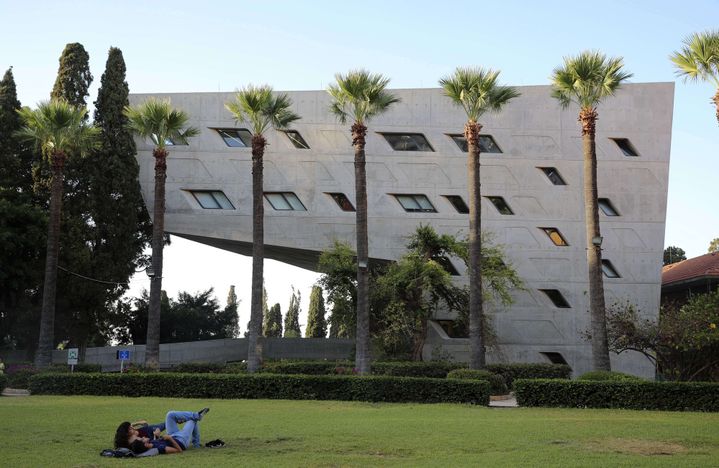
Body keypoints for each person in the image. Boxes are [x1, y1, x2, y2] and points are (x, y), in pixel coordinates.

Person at [115, 408, 209, 455]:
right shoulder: (156, 448)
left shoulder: (147, 443)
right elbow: (179, 451)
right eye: (142, 439)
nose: (142, 437)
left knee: (170, 414)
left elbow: (145, 426)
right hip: (181, 440)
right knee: (191, 420)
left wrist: (156, 436)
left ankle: (196, 415)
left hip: (169, 435)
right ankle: (196, 442)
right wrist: (170, 439)